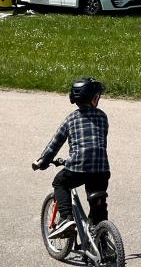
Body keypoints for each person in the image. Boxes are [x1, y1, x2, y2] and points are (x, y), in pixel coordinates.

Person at [33, 77, 110, 238]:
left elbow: (55, 143)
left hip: (78, 166)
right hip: (101, 170)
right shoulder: (103, 117)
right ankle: (103, 244)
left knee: (60, 182)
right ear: (95, 99)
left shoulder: (71, 119)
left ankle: (66, 218)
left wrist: (43, 161)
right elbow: (96, 143)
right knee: (98, 206)